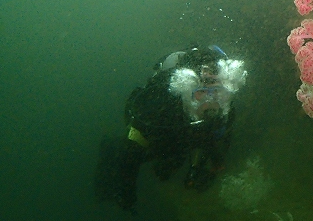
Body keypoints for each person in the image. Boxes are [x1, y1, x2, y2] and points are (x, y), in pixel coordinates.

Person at [95, 44, 247, 212]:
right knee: (134, 155)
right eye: (202, 92)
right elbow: (131, 152)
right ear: (187, 90)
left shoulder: (224, 110)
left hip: (181, 142)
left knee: (171, 163)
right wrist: (127, 192)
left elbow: (217, 141)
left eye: (218, 91)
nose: (211, 100)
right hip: (160, 140)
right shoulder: (162, 109)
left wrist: (204, 170)